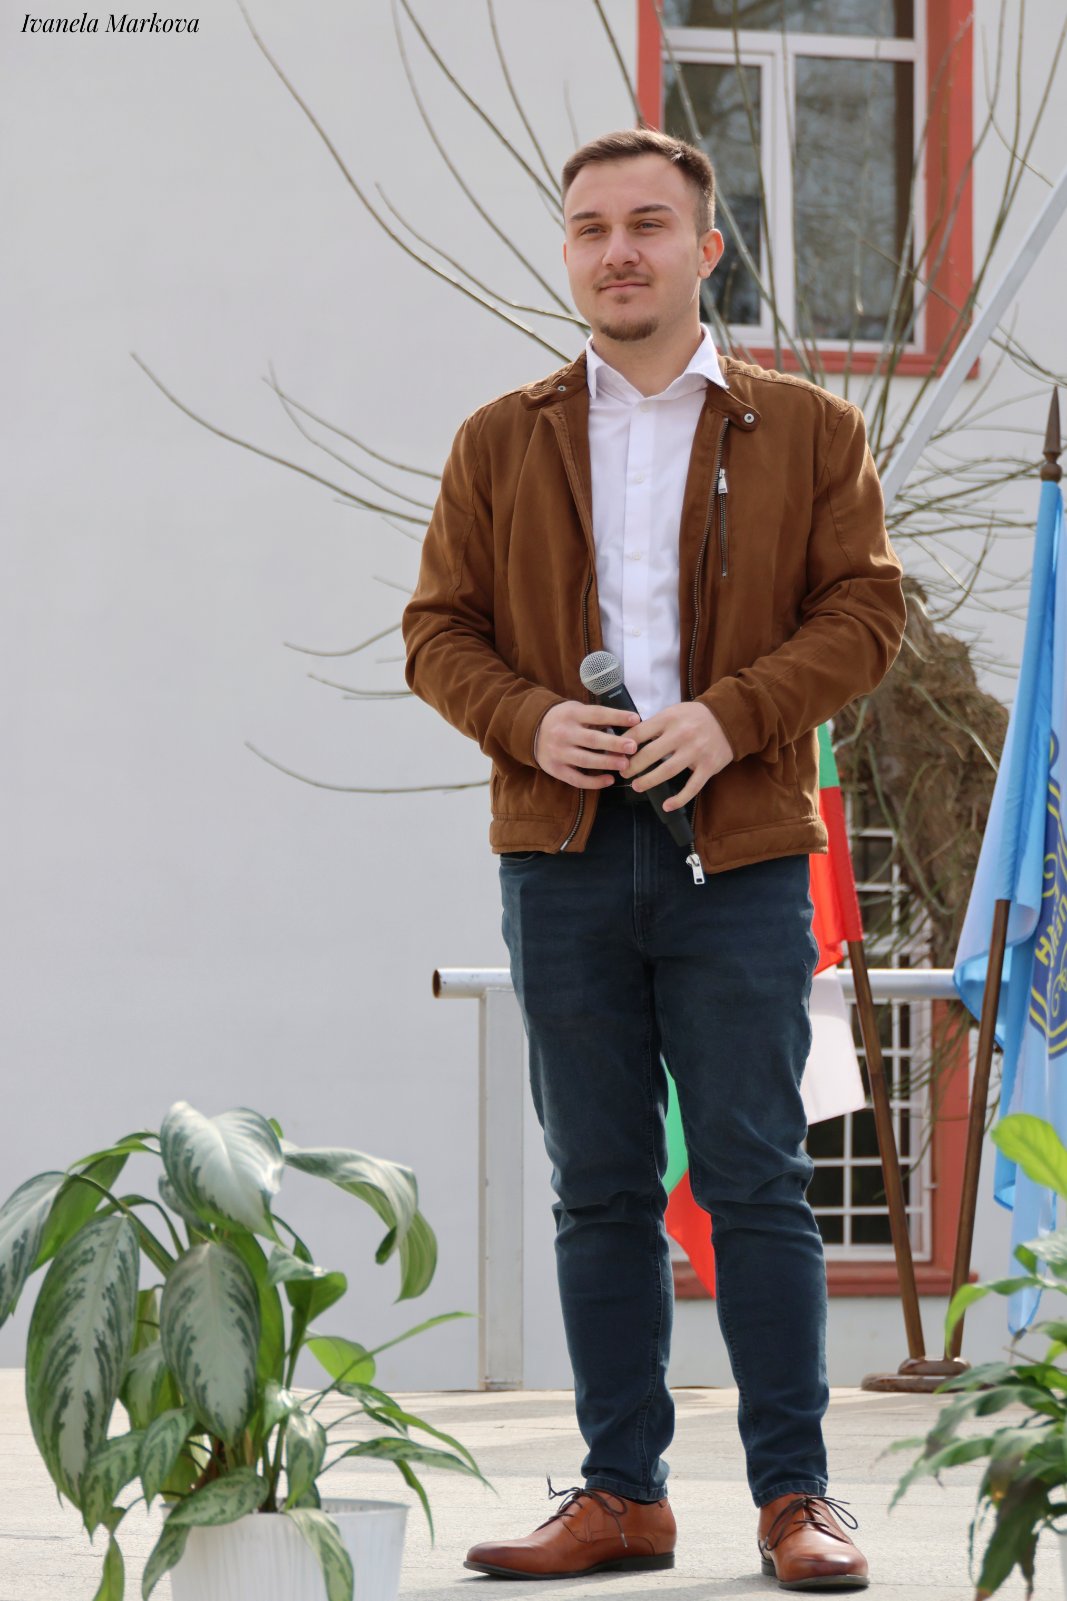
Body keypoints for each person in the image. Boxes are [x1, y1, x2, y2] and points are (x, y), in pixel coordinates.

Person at [402, 127, 905, 1591]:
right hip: (560, 854)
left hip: (738, 850)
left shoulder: (807, 430)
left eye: (646, 224)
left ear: (706, 248)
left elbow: (865, 614)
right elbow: (436, 632)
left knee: (757, 1178)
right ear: (569, 253)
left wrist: (731, 716)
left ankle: (798, 1498)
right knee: (599, 1184)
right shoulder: (499, 439)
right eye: (590, 228)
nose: (616, 250)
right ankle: (622, 1495)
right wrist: (529, 718)